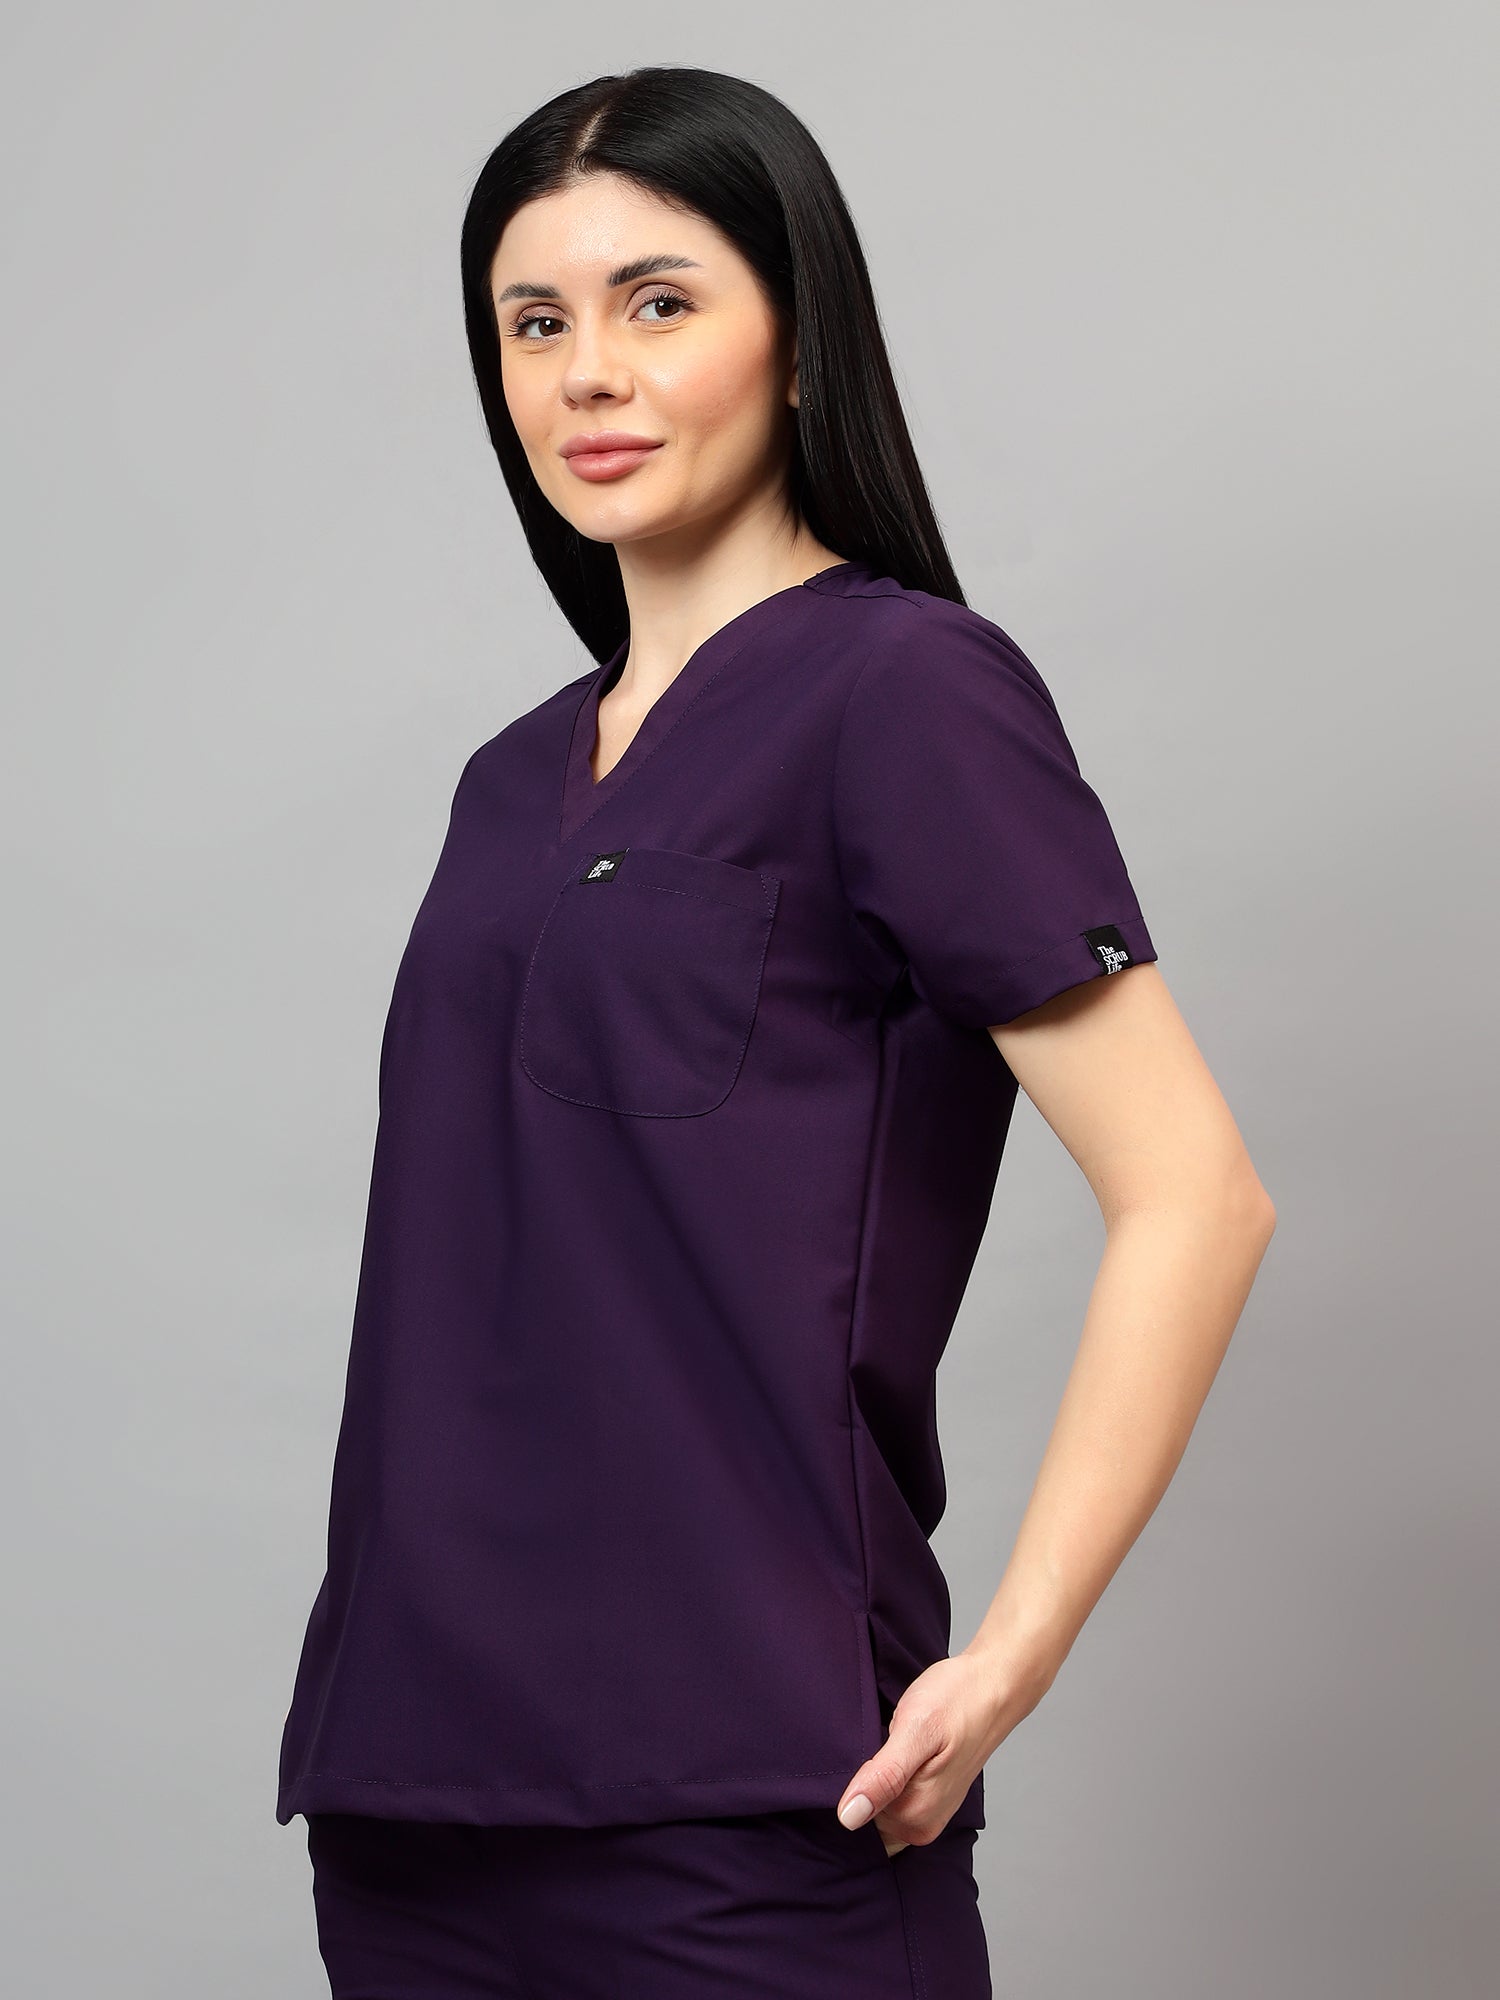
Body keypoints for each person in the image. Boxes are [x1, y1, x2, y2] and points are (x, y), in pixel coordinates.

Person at [276, 63, 1276, 2000]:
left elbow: (1197, 1194)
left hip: (748, 1797)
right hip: (409, 1804)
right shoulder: (507, 781)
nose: (589, 371)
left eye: (658, 302)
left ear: (800, 340)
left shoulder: (909, 692)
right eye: (534, 322)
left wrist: (1009, 1657)